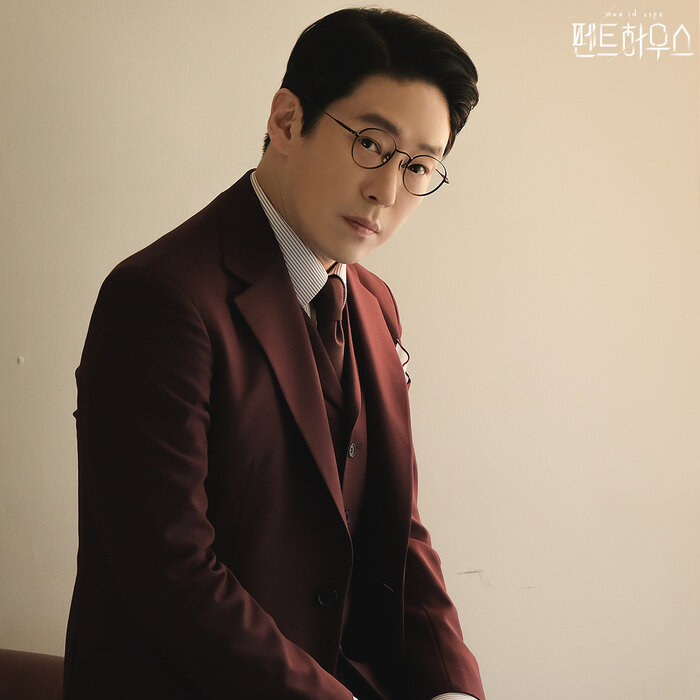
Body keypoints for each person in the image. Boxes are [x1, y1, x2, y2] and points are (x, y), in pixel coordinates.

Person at [63, 7, 484, 700]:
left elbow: (395, 528)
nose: (386, 191)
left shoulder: (373, 302)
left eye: (418, 166)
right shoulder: (160, 299)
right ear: (287, 121)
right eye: (371, 144)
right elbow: (171, 573)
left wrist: (451, 687)